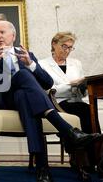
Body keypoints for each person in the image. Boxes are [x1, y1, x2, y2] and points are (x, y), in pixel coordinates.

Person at [0, 21, 101, 182]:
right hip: (2, 101)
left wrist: (31, 64)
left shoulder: (27, 55)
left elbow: (47, 82)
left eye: (2, 32)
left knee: (25, 95)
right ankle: (67, 130)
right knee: (23, 75)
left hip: (25, 101)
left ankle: (43, 172)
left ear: (13, 36)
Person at [39, 32, 98, 170]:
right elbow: (47, 91)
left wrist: (82, 87)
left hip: (76, 101)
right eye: (64, 46)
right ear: (54, 44)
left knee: (90, 110)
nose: (67, 51)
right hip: (56, 103)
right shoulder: (42, 65)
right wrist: (71, 84)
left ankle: (94, 156)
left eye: (70, 47)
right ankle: (81, 157)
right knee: (84, 110)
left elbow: (81, 93)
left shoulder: (76, 63)